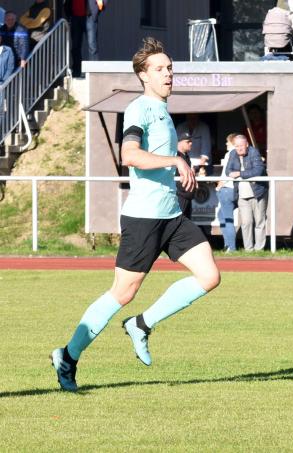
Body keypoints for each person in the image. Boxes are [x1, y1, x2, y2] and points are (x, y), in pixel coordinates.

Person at [50, 38, 220, 392]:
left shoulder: (162, 111)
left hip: (171, 216)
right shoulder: (138, 109)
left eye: (170, 68)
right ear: (143, 75)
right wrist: (175, 160)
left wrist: (179, 158)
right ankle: (68, 355)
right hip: (144, 218)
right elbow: (130, 155)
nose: (168, 74)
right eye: (160, 69)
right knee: (122, 292)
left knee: (209, 276)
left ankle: (141, 325)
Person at [226, 135, 268, 252]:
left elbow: (258, 170)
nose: (239, 148)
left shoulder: (254, 152)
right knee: (246, 223)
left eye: (241, 146)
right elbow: (228, 171)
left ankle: (259, 249)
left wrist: (239, 173)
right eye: (237, 146)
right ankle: (248, 249)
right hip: (241, 194)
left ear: (247, 145)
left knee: (259, 221)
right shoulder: (233, 154)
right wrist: (235, 173)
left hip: (258, 192)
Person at [64, 0, 106, 77]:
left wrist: (99, 7)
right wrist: (68, 13)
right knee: (75, 47)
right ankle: (76, 72)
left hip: (89, 16)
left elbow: (102, 2)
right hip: (75, 17)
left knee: (92, 46)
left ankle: (94, 73)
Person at [216, 133, 238, 252]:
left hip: (227, 189)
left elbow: (227, 173)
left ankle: (231, 247)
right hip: (231, 188)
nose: (226, 144)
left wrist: (221, 184)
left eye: (228, 142)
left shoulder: (230, 153)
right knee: (221, 215)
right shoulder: (237, 153)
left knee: (228, 218)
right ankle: (227, 245)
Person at [175, 131, 195, 218]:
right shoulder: (175, 156)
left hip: (187, 196)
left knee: (187, 221)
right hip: (180, 196)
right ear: (179, 142)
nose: (191, 143)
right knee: (178, 221)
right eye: (188, 141)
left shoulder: (186, 156)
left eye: (191, 141)